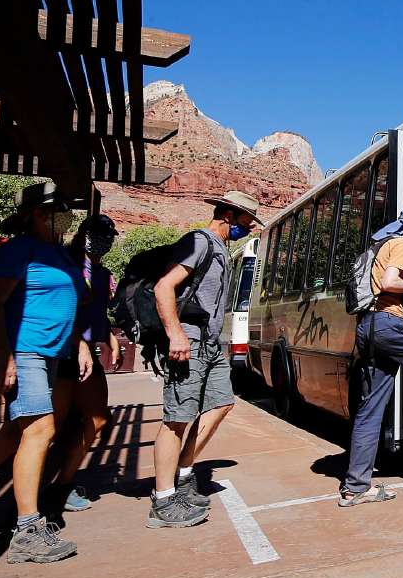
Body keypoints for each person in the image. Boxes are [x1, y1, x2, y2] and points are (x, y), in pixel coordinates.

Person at [0, 181, 87, 564]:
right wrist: (2, 355)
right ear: (37, 216)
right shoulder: (18, 251)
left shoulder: (57, 253)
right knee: (40, 429)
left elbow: (71, 301)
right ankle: (27, 530)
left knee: (18, 431)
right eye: (57, 211)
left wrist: (77, 344)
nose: (65, 218)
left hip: (52, 354)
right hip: (25, 350)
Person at [147, 191, 260, 529]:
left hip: (211, 343)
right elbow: (163, 287)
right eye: (246, 220)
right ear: (228, 214)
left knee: (222, 403)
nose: (250, 226)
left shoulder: (222, 248)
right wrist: (176, 334)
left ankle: (182, 474)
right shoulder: (200, 241)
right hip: (190, 340)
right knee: (177, 418)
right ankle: (163, 500)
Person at [340, 201, 403, 507]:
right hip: (387, 325)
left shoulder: (380, 243)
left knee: (370, 410)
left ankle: (355, 488)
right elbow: (389, 282)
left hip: (367, 327)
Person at [48, 214, 121, 512]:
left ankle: (62, 484)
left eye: (109, 234)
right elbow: (66, 309)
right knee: (49, 427)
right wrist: (78, 343)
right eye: (98, 233)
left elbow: (96, 312)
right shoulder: (68, 264)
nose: (104, 240)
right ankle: (45, 487)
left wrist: (110, 338)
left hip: (86, 352)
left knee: (98, 418)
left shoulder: (102, 273)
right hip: (64, 352)